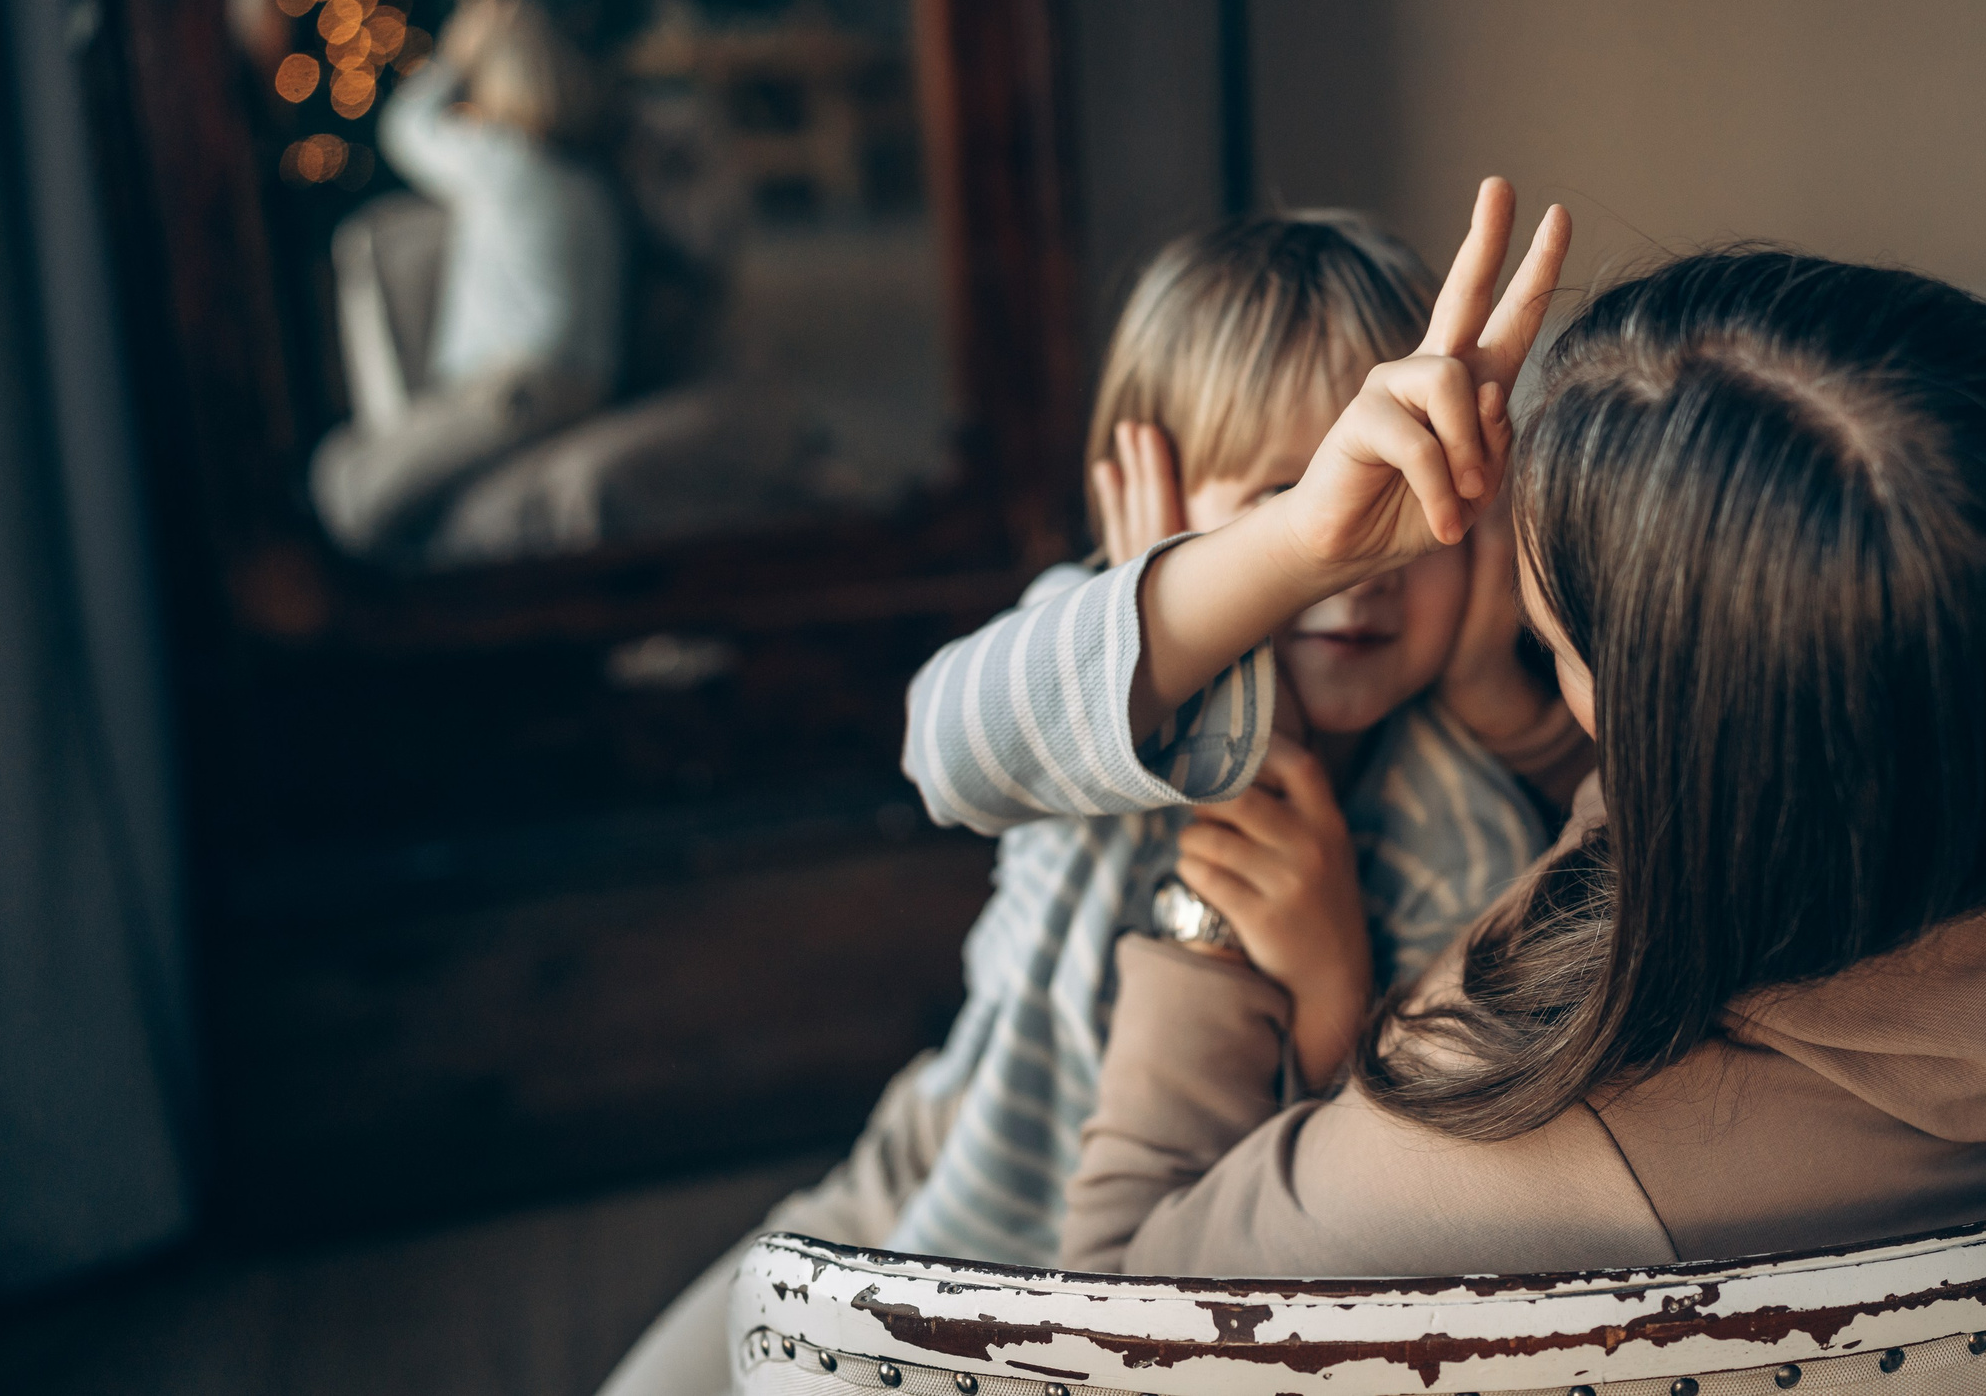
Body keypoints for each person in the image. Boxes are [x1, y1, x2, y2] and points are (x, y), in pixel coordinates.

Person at [1061, 191, 1986, 1276]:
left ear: (1677, 743)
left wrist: (1208, 896)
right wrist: (1514, 708)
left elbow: (1119, 1300)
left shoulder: (1512, 1120)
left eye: (1550, 640)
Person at [595, 207, 1587, 1396]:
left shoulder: (1459, 818)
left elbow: (1346, 1227)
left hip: (1077, 1315)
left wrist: (1332, 999)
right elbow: (943, 752)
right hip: (924, 1161)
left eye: (1401, 514)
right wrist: (1227, 575)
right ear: (1156, 500)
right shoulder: (1098, 660)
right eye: (1291, 500)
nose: (1355, 567)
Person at [310, 0, 623, 554]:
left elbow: (403, 129)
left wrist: (455, 55)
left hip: (514, 388)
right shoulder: (588, 182)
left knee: (351, 486)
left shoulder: (503, 161)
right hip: (584, 385)